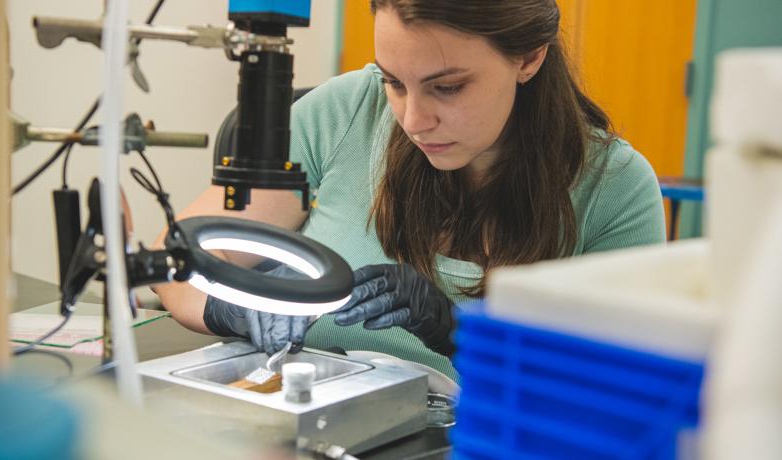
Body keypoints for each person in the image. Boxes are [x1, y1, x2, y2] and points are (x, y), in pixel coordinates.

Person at [154, 0, 665, 379]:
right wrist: (233, 308)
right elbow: (172, 262)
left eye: (448, 87)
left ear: (528, 57)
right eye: (394, 81)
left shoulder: (614, 189)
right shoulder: (345, 111)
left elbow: (614, 397)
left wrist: (459, 334)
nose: (414, 121)